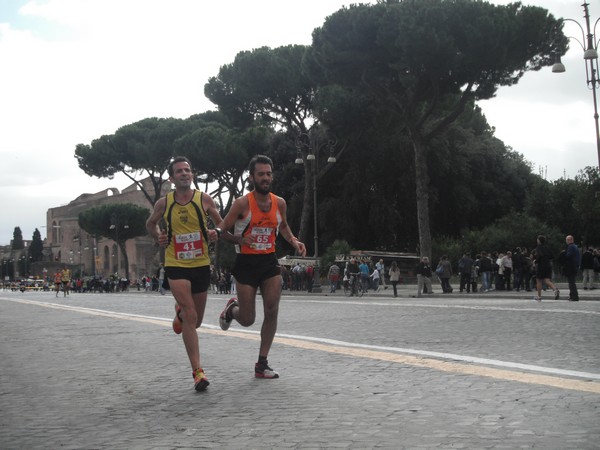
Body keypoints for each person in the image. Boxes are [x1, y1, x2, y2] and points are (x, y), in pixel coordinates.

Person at [216, 155, 306, 379]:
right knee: (247, 319)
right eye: (261, 174)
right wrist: (239, 240)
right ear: (252, 177)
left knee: (272, 310)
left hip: (268, 261)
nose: (265, 178)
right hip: (246, 263)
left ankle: (262, 364)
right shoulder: (242, 204)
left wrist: (293, 240)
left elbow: (283, 226)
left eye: (268, 174)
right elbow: (222, 231)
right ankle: (231, 310)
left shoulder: (280, 203)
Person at [146, 156, 223, 392]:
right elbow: (151, 224)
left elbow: (222, 223)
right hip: (175, 263)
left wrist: (216, 232)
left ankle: (179, 314)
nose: (184, 173)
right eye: (179, 171)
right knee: (191, 315)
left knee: (195, 320)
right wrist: (158, 235)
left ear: (192, 175)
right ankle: (198, 372)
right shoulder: (164, 202)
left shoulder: (204, 199)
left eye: (187, 170)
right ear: (171, 178)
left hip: (200, 263)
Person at [533, 235, 559, 302]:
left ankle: (539, 296)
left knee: (538, 280)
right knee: (547, 280)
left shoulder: (538, 248)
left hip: (541, 266)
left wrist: (535, 261)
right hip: (548, 265)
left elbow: (539, 256)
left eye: (537, 239)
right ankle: (555, 289)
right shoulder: (547, 248)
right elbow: (552, 256)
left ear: (539, 241)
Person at [564, 235, 581, 301]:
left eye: (567, 240)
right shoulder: (575, 246)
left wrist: (564, 254)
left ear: (570, 240)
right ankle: (572, 295)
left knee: (571, 283)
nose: (566, 241)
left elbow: (569, 256)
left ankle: (574, 296)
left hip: (571, 267)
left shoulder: (570, 247)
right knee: (572, 282)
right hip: (575, 266)